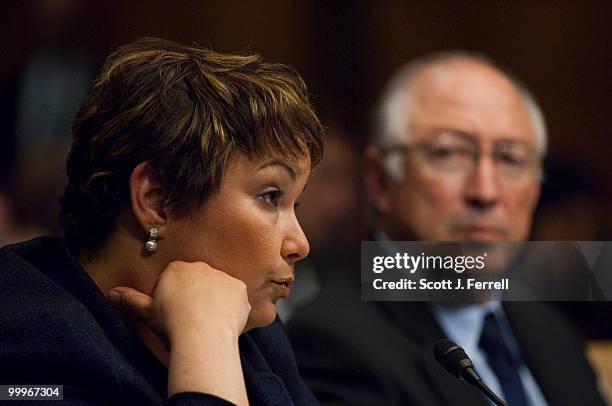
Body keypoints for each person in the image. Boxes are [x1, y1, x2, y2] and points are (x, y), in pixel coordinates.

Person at [0, 37, 323, 405]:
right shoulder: (25, 349)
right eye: (270, 197)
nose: (300, 244)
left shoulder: (252, 331)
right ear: (157, 201)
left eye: (295, 205)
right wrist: (206, 341)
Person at [288, 52, 606, 405]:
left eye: (510, 158)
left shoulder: (547, 326)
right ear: (379, 181)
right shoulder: (332, 340)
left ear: (535, 189)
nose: (485, 192)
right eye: (449, 154)